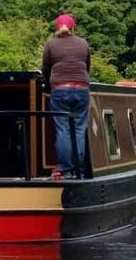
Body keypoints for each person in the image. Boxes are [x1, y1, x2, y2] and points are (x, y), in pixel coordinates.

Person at [42, 14, 91, 179]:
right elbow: (87, 65)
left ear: (57, 28)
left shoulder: (51, 44)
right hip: (81, 88)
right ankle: (80, 170)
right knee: (78, 129)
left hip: (60, 89)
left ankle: (65, 169)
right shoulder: (83, 43)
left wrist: (49, 84)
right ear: (73, 28)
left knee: (63, 129)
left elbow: (46, 68)